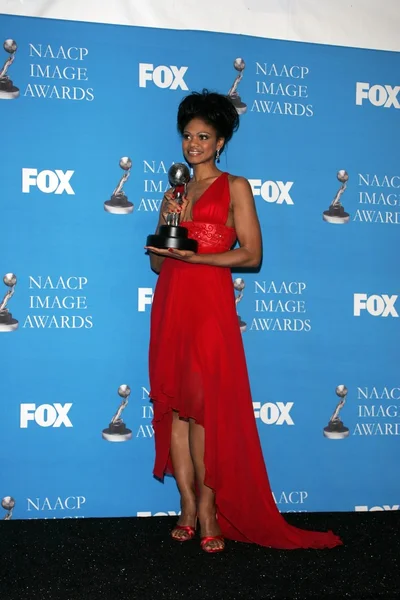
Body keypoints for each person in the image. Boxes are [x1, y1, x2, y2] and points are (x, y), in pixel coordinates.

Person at [145, 90, 342, 554]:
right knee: (175, 409)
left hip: (209, 306)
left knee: (205, 412)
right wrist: (166, 245)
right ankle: (188, 507)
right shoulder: (173, 192)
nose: (193, 144)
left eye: (203, 137)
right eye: (188, 136)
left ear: (220, 141)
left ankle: (211, 512)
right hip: (171, 303)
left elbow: (251, 255)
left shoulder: (236, 187)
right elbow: (158, 266)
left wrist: (197, 259)